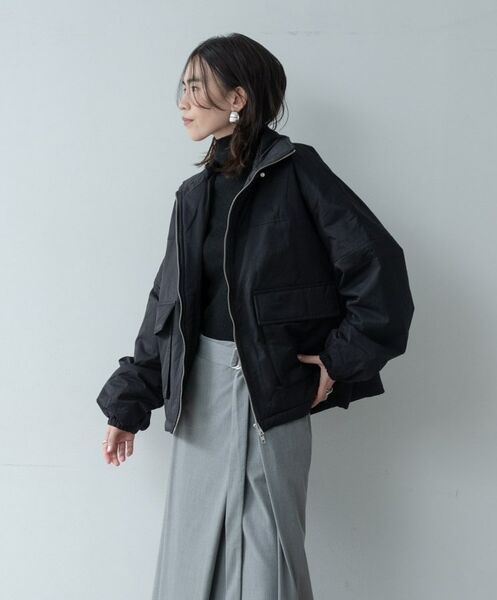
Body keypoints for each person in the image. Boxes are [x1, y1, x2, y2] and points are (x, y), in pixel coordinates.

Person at [96, 32, 414, 600]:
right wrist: (129, 401)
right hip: (199, 392)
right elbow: (167, 307)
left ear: (238, 98)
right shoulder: (193, 195)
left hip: (270, 390)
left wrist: (337, 362)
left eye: (197, 87)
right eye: (182, 87)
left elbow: (378, 268)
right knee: (192, 550)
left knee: (267, 550)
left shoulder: (298, 172)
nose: (183, 101)